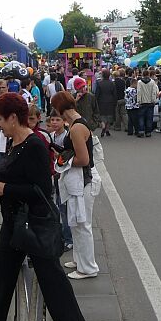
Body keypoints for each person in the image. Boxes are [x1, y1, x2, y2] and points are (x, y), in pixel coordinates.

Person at [0, 93, 87, 321]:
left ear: (13, 118)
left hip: (34, 222)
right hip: (14, 222)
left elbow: (40, 190)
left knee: (51, 276)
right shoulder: (13, 142)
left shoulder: (34, 145)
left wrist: (4, 188)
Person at [52, 90, 101, 280]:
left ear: (60, 107)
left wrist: (63, 161)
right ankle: (80, 260)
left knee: (82, 224)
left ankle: (88, 267)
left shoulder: (75, 128)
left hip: (84, 180)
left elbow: (83, 159)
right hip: (81, 180)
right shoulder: (77, 121)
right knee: (77, 221)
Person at [49, 109, 72, 251]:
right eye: (52, 120)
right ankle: (60, 234)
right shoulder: (50, 136)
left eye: (58, 120)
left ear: (64, 121)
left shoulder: (67, 137)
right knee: (55, 206)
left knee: (64, 207)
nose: (55, 123)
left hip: (64, 175)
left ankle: (69, 238)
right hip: (52, 175)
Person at [137, 69, 159, 138]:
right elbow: (153, 92)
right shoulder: (152, 82)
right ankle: (148, 132)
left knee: (141, 117)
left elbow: (139, 92)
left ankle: (141, 131)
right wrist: (153, 101)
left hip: (142, 102)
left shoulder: (140, 82)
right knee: (149, 118)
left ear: (143, 74)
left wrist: (139, 101)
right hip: (150, 102)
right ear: (149, 75)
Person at [95, 69, 117, 137]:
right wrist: (115, 102)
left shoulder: (99, 83)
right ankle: (107, 129)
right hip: (110, 101)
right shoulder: (112, 83)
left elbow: (97, 94)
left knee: (102, 115)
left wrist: (96, 101)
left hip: (101, 101)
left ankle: (103, 126)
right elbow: (114, 94)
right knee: (109, 116)